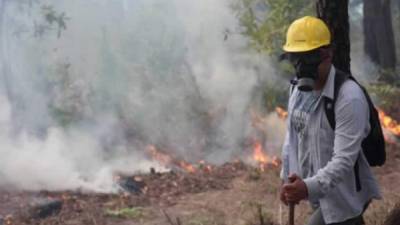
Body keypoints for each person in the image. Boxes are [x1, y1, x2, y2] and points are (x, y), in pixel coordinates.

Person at [279, 16, 381, 225]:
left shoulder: (348, 97)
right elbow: (292, 138)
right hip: (319, 191)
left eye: (307, 58)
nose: (300, 67)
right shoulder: (296, 90)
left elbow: (343, 161)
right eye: (295, 58)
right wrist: (286, 178)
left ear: (327, 54)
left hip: (344, 196)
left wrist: (307, 187)